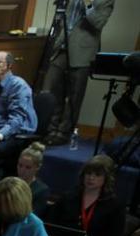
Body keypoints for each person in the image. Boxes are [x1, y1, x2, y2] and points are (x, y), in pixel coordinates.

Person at [42, 0, 116, 146]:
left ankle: (63, 133)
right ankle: (49, 129)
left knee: (74, 96)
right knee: (50, 90)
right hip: (61, 47)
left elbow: (98, 22)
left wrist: (88, 3)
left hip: (82, 51)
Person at [48, 154, 126, 236]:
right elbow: (52, 224)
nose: (91, 178)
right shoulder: (69, 197)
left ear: (106, 178)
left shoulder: (114, 206)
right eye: (88, 173)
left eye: (97, 175)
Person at [16, 142, 50, 217]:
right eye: (20, 165)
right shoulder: (10, 183)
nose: (22, 170)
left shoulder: (41, 190)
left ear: (37, 167)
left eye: (28, 167)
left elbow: (33, 217)